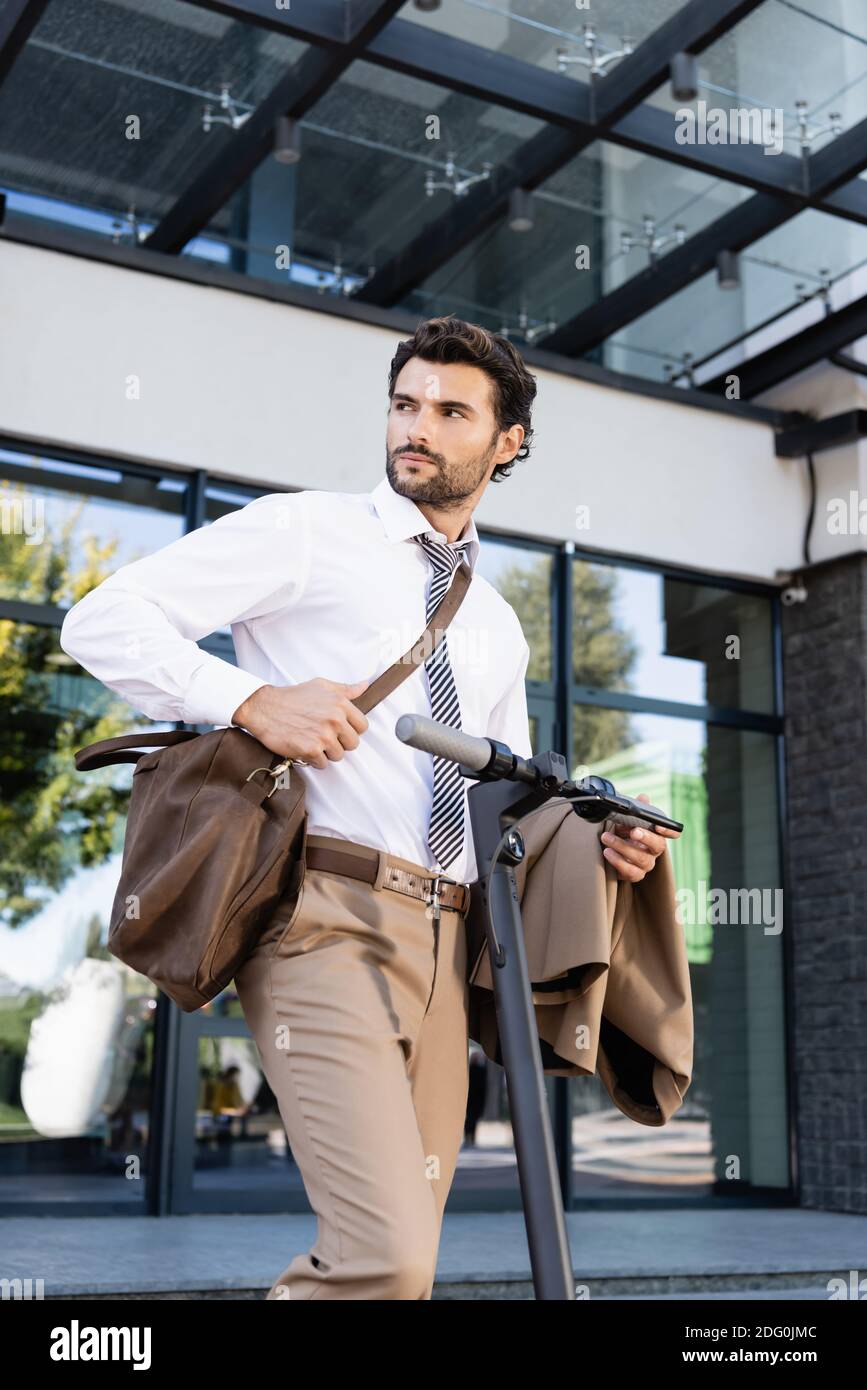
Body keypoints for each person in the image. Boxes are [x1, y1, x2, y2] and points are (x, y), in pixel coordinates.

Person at [60, 315, 672, 1300]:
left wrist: (602, 848)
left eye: (449, 410)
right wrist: (250, 699)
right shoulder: (307, 532)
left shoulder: (497, 622)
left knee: (402, 1270)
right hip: (323, 918)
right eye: (403, 404)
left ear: (506, 442)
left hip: (447, 940)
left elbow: (507, 797)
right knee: (384, 1254)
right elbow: (104, 617)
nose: (414, 427)